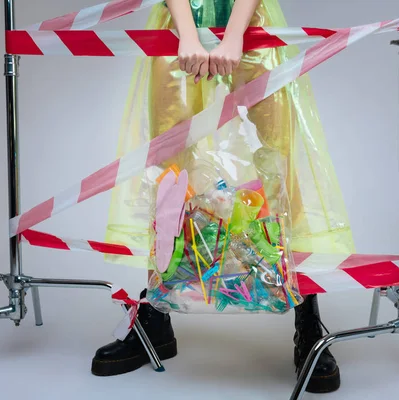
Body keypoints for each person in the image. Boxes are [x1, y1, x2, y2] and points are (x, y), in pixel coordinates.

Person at [90, 0, 355, 394]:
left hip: (251, 17)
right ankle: (155, 320)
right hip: (178, 19)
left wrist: (234, 33)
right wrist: (187, 28)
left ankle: (307, 317)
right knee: (167, 169)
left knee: (279, 163)